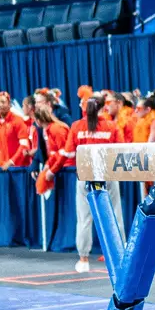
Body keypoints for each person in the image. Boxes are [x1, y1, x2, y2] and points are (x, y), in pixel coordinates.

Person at [59, 91, 124, 271]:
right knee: (114, 215)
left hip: (85, 176)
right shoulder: (111, 126)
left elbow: (69, 154)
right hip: (108, 175)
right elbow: (121, 151)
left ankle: (83, 259)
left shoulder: (76, 126)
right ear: (104, 107)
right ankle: (119, 257)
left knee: (84, 218)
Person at [0, 92, 32, 172]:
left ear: (9, 104)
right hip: (2, 167)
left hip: (18, 168)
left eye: (3, 102)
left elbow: (24, 145)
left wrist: (11, 161)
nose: (0, 105)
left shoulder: (18, 120)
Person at [31, 101, 71, 195]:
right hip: (60, 168)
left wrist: (52, 170)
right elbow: (54, 153)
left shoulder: (56, 129)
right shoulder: (48, 130)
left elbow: (64, 153)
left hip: (67, 169)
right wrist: (48, 165)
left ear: (38, 121)